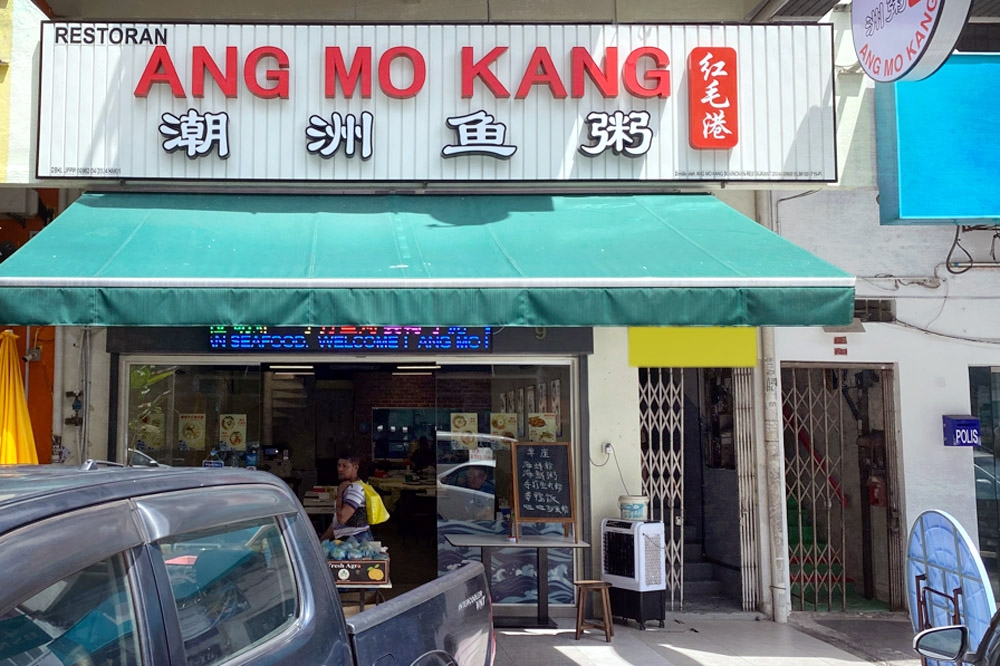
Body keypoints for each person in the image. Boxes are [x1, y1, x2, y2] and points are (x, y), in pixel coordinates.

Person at [320, 455, 373, 543]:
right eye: (338, 465)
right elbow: (336, 522)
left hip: (357, 542)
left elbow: (341, 519)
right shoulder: (348, 487)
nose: (340, 469)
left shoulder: (356, 488)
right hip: (349, 540)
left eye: (345, 466)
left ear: (355, 467)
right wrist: (321, 540)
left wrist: (339, 494)